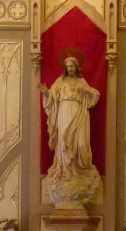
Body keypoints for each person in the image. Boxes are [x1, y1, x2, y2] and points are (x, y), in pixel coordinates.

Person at [40, 56, 100, 186]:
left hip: (78, 112)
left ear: (76, 67)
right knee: (63, 141)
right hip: (63, 112)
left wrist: (85, 90)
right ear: (65, 68)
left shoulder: (81, 81)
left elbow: (93, 96)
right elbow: (51, 96)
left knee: (81, 143)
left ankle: (79, 171)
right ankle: (66, 172)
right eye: (67, 66)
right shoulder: (60, 81)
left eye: (72, 66)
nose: (70, 68)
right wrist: (46, 93)